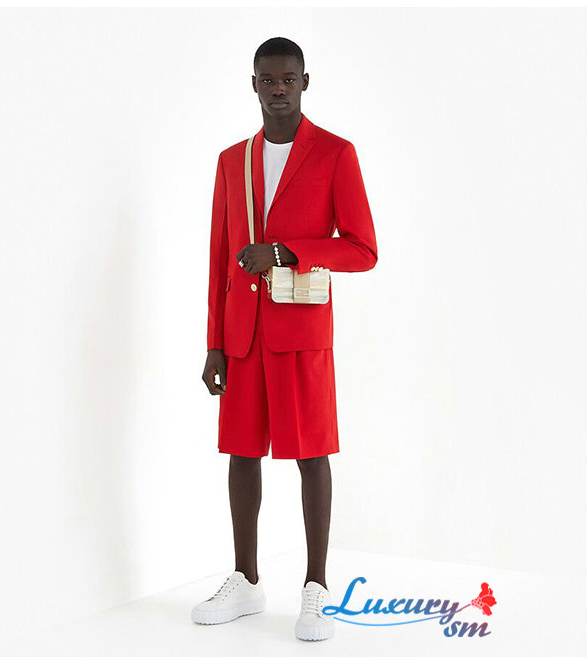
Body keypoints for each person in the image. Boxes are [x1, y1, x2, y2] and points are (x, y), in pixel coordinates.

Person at [192, 37, 378, 641]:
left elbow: (362, 249)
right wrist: (214, 343)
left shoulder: (336, 154)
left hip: (301, 332)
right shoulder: (232, 161)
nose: (278, 89)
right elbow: (219, 258)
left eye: (288, 79)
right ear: (254, 85)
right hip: (242, 334)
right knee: (241, 452)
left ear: (305, 82)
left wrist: (285, 251)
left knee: (311, 454)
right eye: (268, 80)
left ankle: (316, 587)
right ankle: (246, 579)